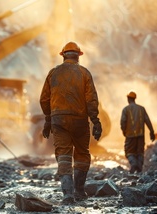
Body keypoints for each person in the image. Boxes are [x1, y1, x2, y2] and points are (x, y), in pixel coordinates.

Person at [40, 41, 102, 204]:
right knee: (82, 154)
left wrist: (48, 120)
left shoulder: (53, 73)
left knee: (64, 155)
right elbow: (91, 100)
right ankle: (79, 192)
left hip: (59, 120)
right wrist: (95, 121)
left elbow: (44, 99)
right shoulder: (84, 73)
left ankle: (68, 195)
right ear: (78, 57)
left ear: (63, 56)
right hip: (80, 120)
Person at [120, 91, 155, 174]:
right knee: (140, 152)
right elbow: (147, 120)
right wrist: (152, 132)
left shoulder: (126, 109)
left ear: (128, 98)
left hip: (130, 135)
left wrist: (124, 131)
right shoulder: (141, 109)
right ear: (134, 99)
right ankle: (139, 169)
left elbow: (123, 122)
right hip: (140, 135)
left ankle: (133, 164)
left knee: (129, 151)